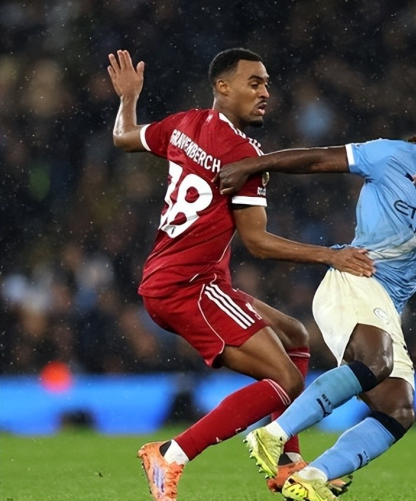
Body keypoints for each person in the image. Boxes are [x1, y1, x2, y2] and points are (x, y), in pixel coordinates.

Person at [107, 48, 373, 501]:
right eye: (254, 83)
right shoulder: (244, 155)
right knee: (287, 380)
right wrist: (332, 256)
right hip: (190, 286)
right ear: (222, 86)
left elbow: (123, 137)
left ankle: (286, 463)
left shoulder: (184, 124)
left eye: (267, 84)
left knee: (294, 336)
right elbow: (258, 242)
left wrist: (128, 98)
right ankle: (171, 453)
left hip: (180, 279)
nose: (265, 92)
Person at [218, 94, 416, 501]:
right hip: (354, 277)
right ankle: (273, 434)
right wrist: (253, 165)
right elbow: (317, 159)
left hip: (388, 304)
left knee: (398, 409)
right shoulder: (390, 156)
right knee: (376, 362)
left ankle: (312, 477)